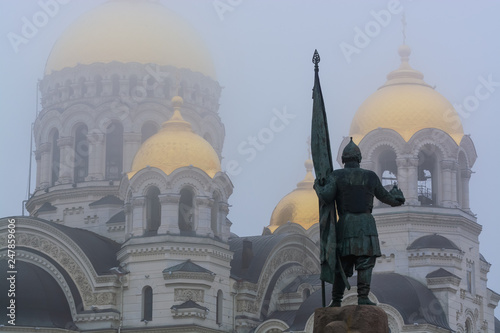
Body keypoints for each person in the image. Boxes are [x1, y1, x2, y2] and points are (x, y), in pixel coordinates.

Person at [314, 138, 405, 306]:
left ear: (343, 159)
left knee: (342, 265)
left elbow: (326, 197)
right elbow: (388, 198)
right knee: (365, 263)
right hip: (366, 224)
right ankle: (363, 297)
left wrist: (318, 186)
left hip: (346, 225)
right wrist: (398, 197)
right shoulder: (370, 177)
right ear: (359, 158)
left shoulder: (336, 176)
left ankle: (336, 301)